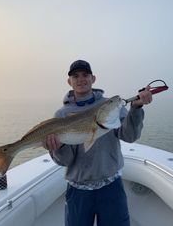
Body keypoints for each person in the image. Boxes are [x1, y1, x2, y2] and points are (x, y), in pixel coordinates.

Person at [43, 60, 152, 226]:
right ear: (69, 81)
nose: (81, 79)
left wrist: (136, 109)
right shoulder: (62, 114)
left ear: (93, 78)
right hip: (78, 190)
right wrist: (58, 148)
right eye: (75, 76)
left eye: (85, 75)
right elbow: (65, 161)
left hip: (111, 186)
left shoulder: (111, 105)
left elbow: (129, 136)